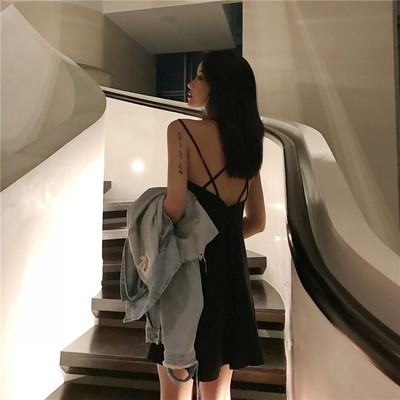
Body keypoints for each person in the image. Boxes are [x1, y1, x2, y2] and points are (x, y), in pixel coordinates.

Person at [147, 49, 266, 400]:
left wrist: (147, 228)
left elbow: (175, 205)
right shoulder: (248, 142)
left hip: (189, 274)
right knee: (218, 393)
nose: (190, 83)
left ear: (220, 86)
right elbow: (258, 221)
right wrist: (220, 240)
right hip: (232, 277)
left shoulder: (181, 130)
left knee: (176, 387)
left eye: (199, 77)